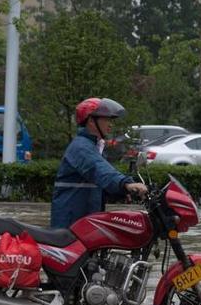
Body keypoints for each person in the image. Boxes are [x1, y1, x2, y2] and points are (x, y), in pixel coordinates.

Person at [50, 97, 148, 229]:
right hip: (71, 226)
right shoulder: (81, 147)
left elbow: (101, 180)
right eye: (106, 119)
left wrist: (124, 191)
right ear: (91, 121)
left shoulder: (93, 146)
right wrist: (125, 183)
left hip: (82, 221)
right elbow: (99, 169)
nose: (110, 124)